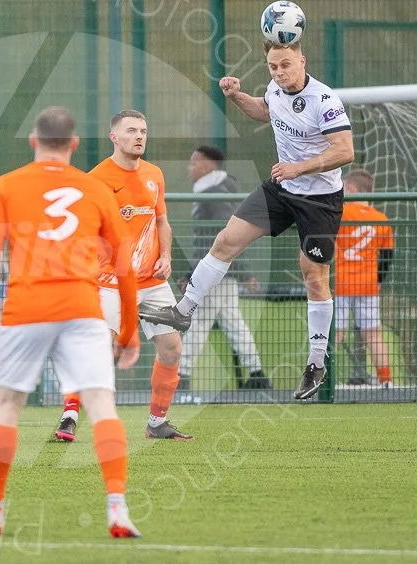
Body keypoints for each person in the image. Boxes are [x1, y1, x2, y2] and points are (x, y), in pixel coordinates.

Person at [140, 39, 355, 401]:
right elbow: (264, 109)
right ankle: (183, 310)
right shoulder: (275, 88)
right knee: (225, 241)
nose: (279, 72)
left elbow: (345, 151)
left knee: (314, 278)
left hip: (319, 199)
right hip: (281, 188)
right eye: (273, 67)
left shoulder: (325, 100)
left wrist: (298, 168)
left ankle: (316, 362)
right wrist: (238, 97)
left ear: (302, 60)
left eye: (285, 65)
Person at [0, 107, 142, 538]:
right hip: (83, 307)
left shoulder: (6, 186)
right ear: (75, 145)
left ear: (32, 142)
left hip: (25, 309)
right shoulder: (95, 188)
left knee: (8, 405)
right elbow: (124, 266)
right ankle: (118, 508)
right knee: (102, 403)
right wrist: (128, 331)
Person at [57, 110, 194, 443]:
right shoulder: (96, 179)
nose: (139, 136)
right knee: (100, 349)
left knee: (172, 348)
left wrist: (166, 256)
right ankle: (70, 415)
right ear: (113, 137)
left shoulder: (154, 175)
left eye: (144, 131)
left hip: (151, 281)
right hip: (109, 281)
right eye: (131, 131)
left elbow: (162, 221)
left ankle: (157, 423)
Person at [178, 145, 271, 391]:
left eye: (194, 163)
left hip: (217, 272)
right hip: (222, 271)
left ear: (208, 166)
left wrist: (244, 273)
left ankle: (181, 375)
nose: (190, 168)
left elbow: (227, 238)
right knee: (232, 322)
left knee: (199, 321)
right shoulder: (213, 191)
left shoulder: (214, 194)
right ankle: (257, 373)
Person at [335, 169, 395, 387]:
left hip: (341, 282)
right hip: (368, 284)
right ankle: (386, 380)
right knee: (373, 333)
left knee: (336, 331)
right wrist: (378, 280)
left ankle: (324, 378)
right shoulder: (381, 219)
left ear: (351, 189)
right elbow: (387, 255)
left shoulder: (339, 214)